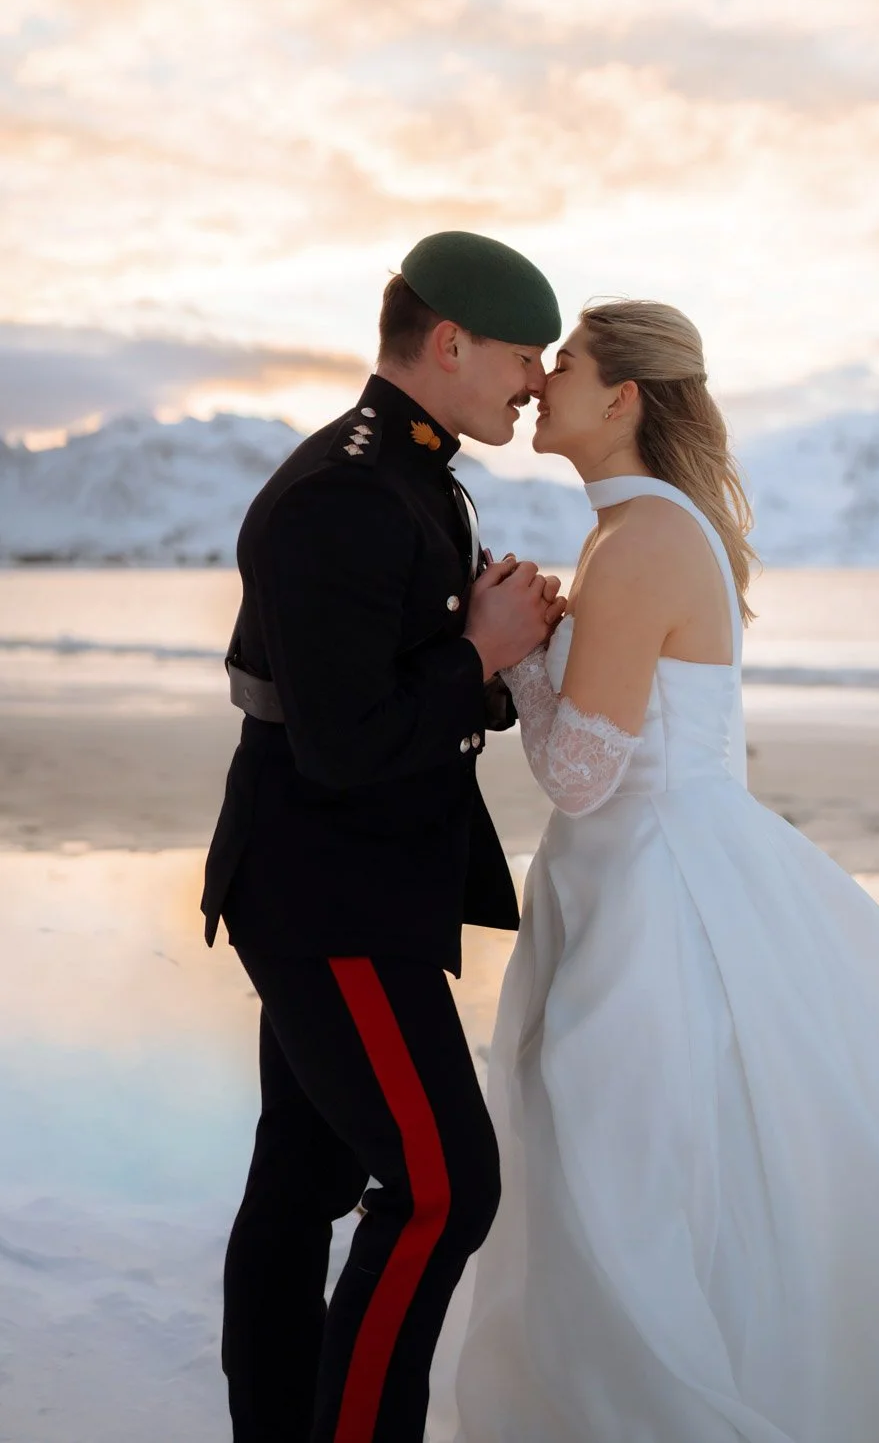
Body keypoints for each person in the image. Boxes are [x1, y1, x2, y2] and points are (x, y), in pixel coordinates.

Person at [449, 299, 879, 1443]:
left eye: (563, 360)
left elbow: (577, 773)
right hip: (641, 873)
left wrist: (509, 653)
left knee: (626, 1169)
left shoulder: (643, 538)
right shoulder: (632, 529)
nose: (541, 378)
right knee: (654, 1158)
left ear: (620, 397)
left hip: (658, 894)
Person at [200, 230, 568, 1443]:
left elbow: (374, 683)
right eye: (523, 353)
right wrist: (483, 651)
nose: (535, 375)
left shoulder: (411, 473)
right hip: (332, 891)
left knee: (302, 1182)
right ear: (451, 341)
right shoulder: (353, 489)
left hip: (353, 881)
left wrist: (481, 647)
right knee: (441, 1188)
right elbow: (345, 743)